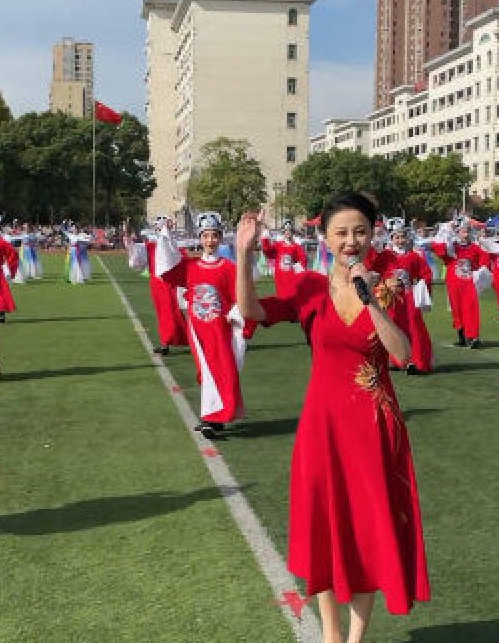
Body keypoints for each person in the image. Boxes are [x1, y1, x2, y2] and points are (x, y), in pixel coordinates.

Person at [234, 195, 430, 643]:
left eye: (359, 231)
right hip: (322, 428)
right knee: (327, 527)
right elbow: (251, 312)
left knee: (368, 528)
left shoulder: (388, 286)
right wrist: (244, 255)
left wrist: (373, 301)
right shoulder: (308, 288)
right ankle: (331, 636)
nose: (351, 241)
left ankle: (354, 638)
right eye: (341, 232)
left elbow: (403, 354)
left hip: (374, 429)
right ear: (325, 238)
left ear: (372, 233)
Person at [154, 212, 249, 439]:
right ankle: (213, 418)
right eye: (206, 236)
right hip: (197, 332)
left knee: (220, 371)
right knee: (206, 373)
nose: (210, 241)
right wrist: (165, 237)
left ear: (220, 238)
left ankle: (213, 420)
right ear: (200, 238)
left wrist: (237, 318)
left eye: (214, 236)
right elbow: (167, 271)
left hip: (219, 330)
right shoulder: (190, 267)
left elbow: (241, 297)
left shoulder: (228, 268)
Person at [128, 216, 189, 355]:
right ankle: (167, 342)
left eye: (160, 226)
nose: (158, 228)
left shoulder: (171, 242)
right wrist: (130, 241)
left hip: (169, 282)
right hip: (156, 283)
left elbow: (175, 257)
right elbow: (138, 260)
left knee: (174, 312)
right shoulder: (151, 244)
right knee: (163, 313)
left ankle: (182, 340)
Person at [382, 218, 434, 374]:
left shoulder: (414, 257)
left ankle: (417, 361)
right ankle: (396, 359)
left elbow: (426, 274)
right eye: (396, 237)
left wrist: (421, 287)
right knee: (392, 327)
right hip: (391, 299)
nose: (400, 240)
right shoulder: (385, 256)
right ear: (391, 238)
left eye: (402, 236)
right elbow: (376, 273)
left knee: (414, 327)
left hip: (409, 298)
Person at [432, 218, 490, 348]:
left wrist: (480, 272)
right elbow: (438, 249)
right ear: (458, 233)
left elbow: (485, 260)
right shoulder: (452, 248)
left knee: (471, 309)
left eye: (467, 231)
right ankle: (462, 337)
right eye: (463, 232)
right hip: (454, 284)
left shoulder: (475, 248)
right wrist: (445, 230)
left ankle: (473, 337)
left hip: (469, 284)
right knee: (457, 311)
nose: (465, 234)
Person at [259, 220, 308, 298]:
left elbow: (303, 261)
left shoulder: (297, 247)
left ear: (292, 232)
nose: (288, 232)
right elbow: (267, 250)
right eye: (286, 230)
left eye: (290, 230)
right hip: (280, 278)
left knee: (292, 297)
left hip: (292, 278)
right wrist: (265, 235)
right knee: (282, 299)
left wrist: (295, 271)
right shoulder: (278, 245)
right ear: (283, 232)